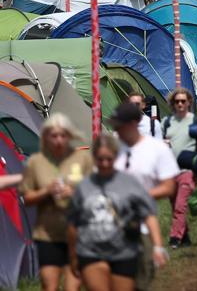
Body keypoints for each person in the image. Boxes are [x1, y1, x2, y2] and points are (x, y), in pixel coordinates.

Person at [68, 135, 167, 291]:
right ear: (94, 158)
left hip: (124, 252)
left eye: (109, 159)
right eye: (100, 159)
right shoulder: (83, 187)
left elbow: (148, 215)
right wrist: (73, 255)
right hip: (91, 251)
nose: (105, 164)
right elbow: (73, 224)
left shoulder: (129, 183)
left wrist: (158, 246)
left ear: (116, 156)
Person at [109, 102, 178, 291]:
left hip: (143, 228)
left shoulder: (156, 149)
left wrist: (140, 195)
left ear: (133, 123)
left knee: (141, 281)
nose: (115, 129)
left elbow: (169, 187)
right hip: (111, 228)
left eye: (119, 125)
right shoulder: (112, 150)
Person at [20, 115, 92, 291]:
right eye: (54, 135)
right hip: (47, 234)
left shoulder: (82, 159)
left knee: (72, 287)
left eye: (63, 135)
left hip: (77, 234)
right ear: (45, 137)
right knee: (49, 286)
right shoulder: (36, 162)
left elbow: (96, 193)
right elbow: (27, 199)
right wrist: (46, 191)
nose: (59, 140)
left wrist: (75, 193)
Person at [163, 88, 197, 250]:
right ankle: (186, 237)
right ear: (173, 104)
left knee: (180, 205)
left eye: (183, 101)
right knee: (175, 205)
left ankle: (175, 238)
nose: (180, 104)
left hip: (188, 170)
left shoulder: (195, 122)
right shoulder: (167, 123)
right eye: (177, 101)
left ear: (189, 102)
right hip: (170, 171)